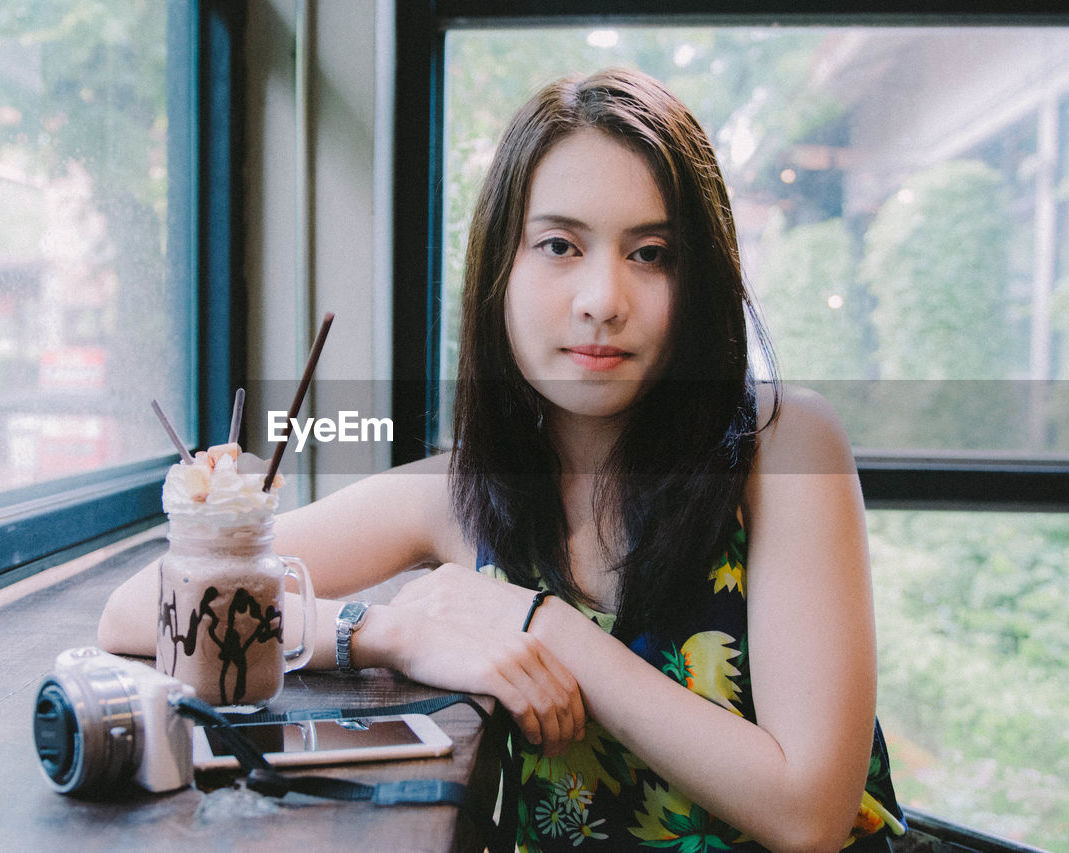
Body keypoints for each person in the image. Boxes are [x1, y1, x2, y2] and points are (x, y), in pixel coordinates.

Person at [99, 68, 904, 852]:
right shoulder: (458, 495)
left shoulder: (784, 444)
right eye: (559, 244)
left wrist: (531, 620)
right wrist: (390, 633)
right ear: (499, 272)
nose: (601, 299)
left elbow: (809, 815)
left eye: (651, 253)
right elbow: (140, 610)